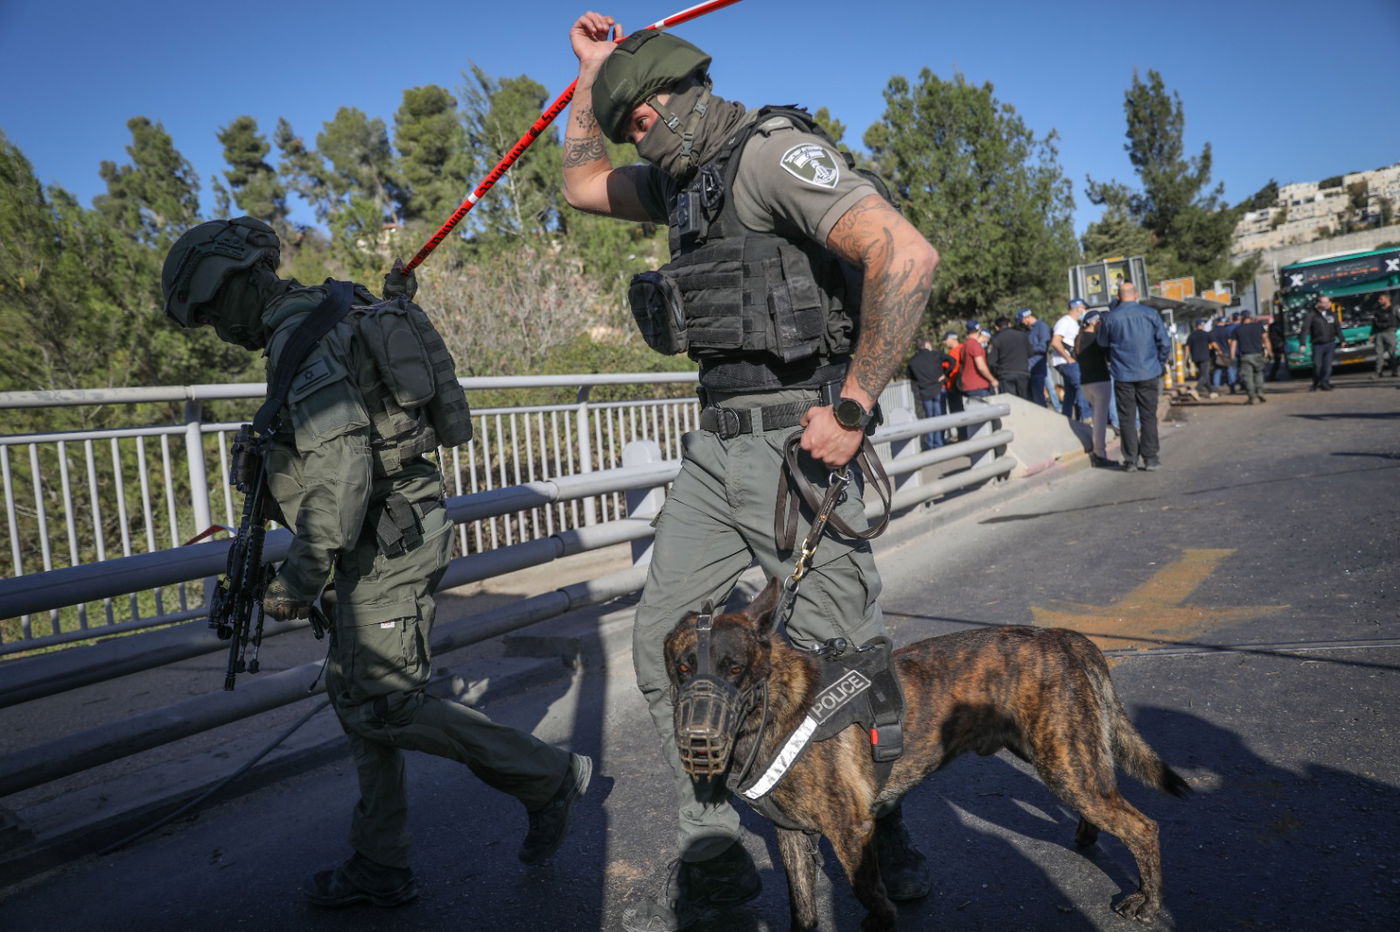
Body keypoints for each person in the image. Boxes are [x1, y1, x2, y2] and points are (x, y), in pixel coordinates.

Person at [561, 15, 940, 930]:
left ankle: (882, 835)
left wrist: (851, 409)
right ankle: (718, 848)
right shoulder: (680, 183)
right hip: (712, 448)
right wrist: (590, 71)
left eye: (645, 115)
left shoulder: (771, 154)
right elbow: (577, 183)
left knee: (843, 668)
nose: (637, 132)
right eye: (628, 125)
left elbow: (907, 255)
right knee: (666, 648)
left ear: (686, 90)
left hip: (797, 446)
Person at [160, 217, 591, 909]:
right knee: (356, 692)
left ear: (237, 284)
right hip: (378, 533)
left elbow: (342, 464)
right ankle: (379, 864)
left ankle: (544, 776)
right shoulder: (332, 306)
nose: (216, 329)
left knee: (384, 705)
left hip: (383, 538)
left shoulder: (299, 342)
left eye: (212, 313)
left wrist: (299, 579)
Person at [1097, 282, 1171, 470]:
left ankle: (1131, 460)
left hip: (1123, 374)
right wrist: (1159, 364)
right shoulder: (1150, 314)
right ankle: (1151, 458)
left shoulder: (1110, 318)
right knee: (1148, 416)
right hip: (1148, 372)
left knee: (1127, 418)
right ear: (1136, 294)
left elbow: (1102, 343)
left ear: (1118, 297)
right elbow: (1165, 343)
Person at [1074, 310, 1113, 467]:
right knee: (1100, 421)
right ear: (1095, 322)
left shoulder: (1079, 339)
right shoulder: (1098, 340)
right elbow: (1110, 356)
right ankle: (1100, 455)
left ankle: (1099, 452)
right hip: (1100, 383)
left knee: (1097, 418)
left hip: (1085, 383)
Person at [907, 338, 952, 449]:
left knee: (929, 419)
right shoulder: (936, 355)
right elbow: (953, 361)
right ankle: (939, 443)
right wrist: (945, 375)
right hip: (938, 389)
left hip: (925, 392)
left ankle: (931, 445)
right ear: (927, 344)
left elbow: (911, 376)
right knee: (940, 417)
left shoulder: (912, 361)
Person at [1050, 298, 1089, 420]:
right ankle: (1087, 417)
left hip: (1067, 362)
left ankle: (1066, 419)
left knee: (1070, 392)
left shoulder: (1073, 323)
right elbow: (1055, 342)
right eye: (1085, 309)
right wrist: (1068, 358)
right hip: (1066, 362)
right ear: (1079, 308)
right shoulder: (1064, 322)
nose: (1085, 311)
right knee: (1082, 385)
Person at [1231, 310, 1271, 404]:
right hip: (1258, 354)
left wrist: (1232, 356)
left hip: (1246, 356)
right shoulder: (1258, 326)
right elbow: (1265, 338)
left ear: (1242, 318)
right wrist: (1269, 351)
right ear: (1250, 317)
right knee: (1259, 374)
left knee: (1248, 378)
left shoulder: (1237, 329)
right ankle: (1260, 392)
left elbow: (1233, 344)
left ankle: (1252, 397)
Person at [988, 316, 1032, 400]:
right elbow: (1030, 353)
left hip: (1005, 374)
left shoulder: (996, 339)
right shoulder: (1022, 335)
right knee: (1024, 402)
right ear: (1010, 324)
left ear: (997, 327)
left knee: (1010, 402)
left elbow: (991, 361)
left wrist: (997, 372)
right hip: (1022, 372)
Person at [1306, 295, 1341, 391]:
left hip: (1330, 343)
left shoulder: (1332, 314)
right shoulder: (1312, 315)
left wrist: (1342, 340)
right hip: (1317, 345)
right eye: (1324, 302)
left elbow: (1337, 328)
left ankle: (1325, 383)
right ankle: (1316, 382)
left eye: (1328, 302)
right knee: (1317, 365)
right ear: (1319, 303)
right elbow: (1305, 329)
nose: (1327, 304)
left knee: (1328, 366)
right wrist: (1302, 343)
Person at [1020, 307, 1053, 408]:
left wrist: (1029, 350)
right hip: (1028, 368)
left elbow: (1044, 346)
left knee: (1038, 398)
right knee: (1031, 399)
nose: (1022, 324)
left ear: (1027, 318)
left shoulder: (1042, 327)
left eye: (1022, 321)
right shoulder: (1028, 330)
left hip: (1037, 367)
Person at [1184, 318, 1216, 398]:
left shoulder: (1191, 335)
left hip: (1196, 358)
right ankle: (1196, 390)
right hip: (1205, 357)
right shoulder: (1206, 334)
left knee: (1204, 375)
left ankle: (1211, 392)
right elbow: (1214, 345)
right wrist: (1220, 352)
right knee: (1204, 375)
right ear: (1202, 325)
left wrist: (1186, 359)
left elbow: (1187, 348)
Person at [1372, 292, 1398, 378]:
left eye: (1381, 299)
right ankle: (1378, 372)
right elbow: (1374, 323)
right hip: (1379, 333)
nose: (1379, 301)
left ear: (1387, 298)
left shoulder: (1395, 308)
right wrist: (1372, 334)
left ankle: (1395, 371)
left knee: (1393, 353)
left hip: (1391, 332)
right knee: (1378, 354)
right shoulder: (1377, 310)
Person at [1266, 313, 1288, 381]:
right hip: (1277, 345)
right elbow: (1281, 333)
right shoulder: (1276, 326)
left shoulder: (1272, 326)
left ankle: (1272, 376)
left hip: (1276, 345)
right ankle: (1271, 376)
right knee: (1277, 361)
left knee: (1277, 361)